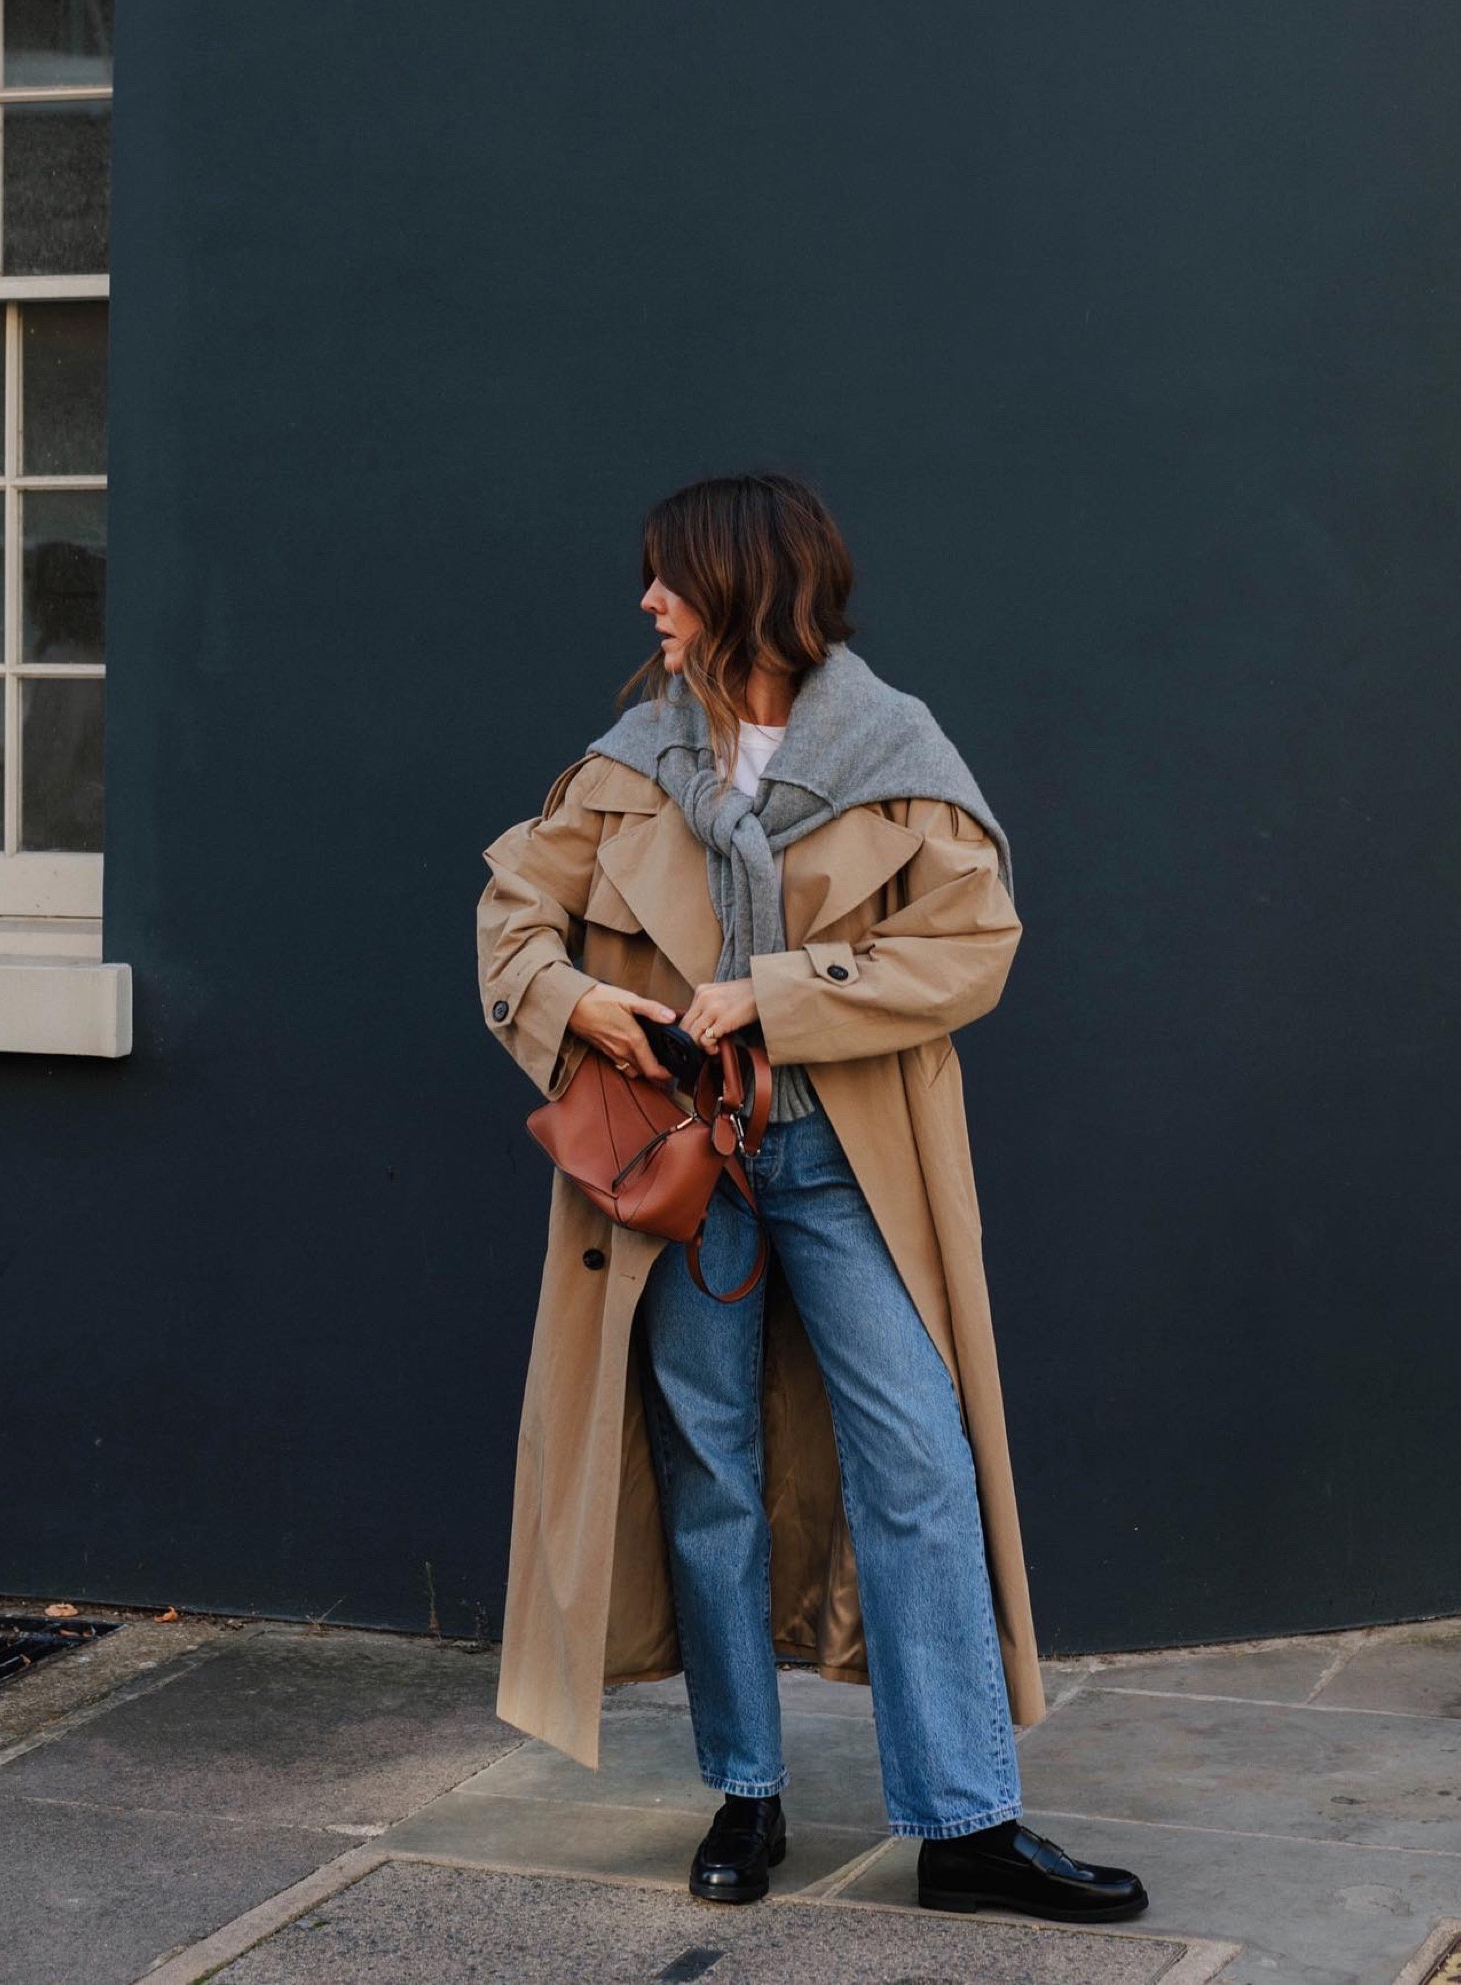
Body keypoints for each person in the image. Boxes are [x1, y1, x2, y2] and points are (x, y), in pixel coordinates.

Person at [475, 472, 1147, 1924]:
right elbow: (509, 914)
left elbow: (970, 948)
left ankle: (964, 1825)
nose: (647, 601)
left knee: (918, 1457)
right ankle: (746, 1791)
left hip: (849, 1158)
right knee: (707, 1466)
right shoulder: (629, 762)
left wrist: (775, 993)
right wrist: (583, 1003)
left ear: (742, 585)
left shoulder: (893, 754)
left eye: (668, 577)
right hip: (676, 1170)